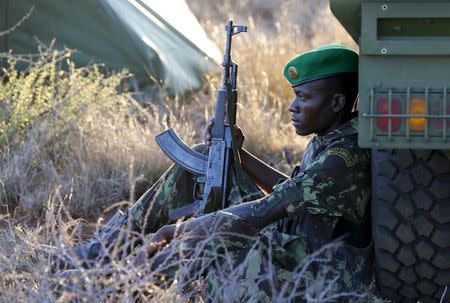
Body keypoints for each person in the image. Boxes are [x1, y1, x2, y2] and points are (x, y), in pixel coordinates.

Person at [56, 44, 373, 301]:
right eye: (294, 96)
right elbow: (294, 191)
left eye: (303, 98)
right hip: (293, 246)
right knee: (210, 156)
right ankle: (104, 251)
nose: (292, 107)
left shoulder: (342, 159)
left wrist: (180, 232)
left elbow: (263, 212)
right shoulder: (335, 138)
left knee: (215, 239)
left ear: (336, 102)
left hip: (317, 279)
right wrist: (238, 153)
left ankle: (118, 285)